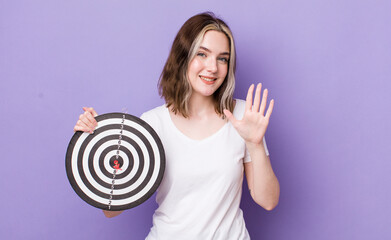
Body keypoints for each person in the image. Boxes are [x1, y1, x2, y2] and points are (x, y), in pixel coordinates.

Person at [74, 12, 279, 240]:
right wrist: (99, 142)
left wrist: (255, 143)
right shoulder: (154, 124)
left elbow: (268, 201)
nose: (213, 67)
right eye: (202, 54)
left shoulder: (243, 117)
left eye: (223, 58)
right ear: (183, 57)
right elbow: (111, 211)